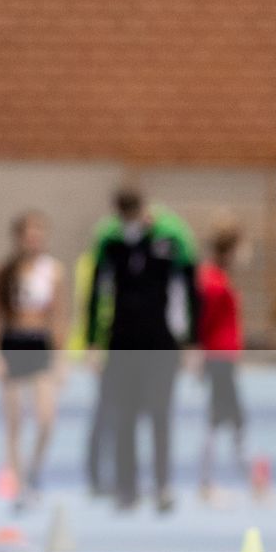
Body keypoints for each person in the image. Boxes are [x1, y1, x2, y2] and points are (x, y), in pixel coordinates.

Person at [84, 187, 198, 513]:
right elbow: (96, 292)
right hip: (121, 342)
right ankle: (127, 488)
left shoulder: (170, 239)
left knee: (160, 415)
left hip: (160, 342)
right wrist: (94, 341)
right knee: (125, 417)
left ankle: (162, 485)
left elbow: (189, 289)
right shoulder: (110, 242)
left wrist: (192, 340)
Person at [0, 211, 65, 509]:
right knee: (15, 422)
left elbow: (58, 318)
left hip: (39, 345)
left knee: (46, 419)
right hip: (13, 344)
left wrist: (60, 360)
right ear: (19, 237)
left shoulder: (52, 271)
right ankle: (17, 484)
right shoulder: (3, 273)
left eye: (39, 232)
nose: (34, 238)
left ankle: (34, 472)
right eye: (29, 233)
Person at [195, 222, 248, 502]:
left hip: (225, 356)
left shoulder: (220, 278)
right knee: (220, 419)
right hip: (218, 357)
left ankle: (238, 476)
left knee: (232, 418)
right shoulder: (213, 281)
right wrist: (200, 354)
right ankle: (207, 482)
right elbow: (204, 322)